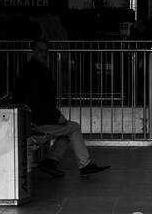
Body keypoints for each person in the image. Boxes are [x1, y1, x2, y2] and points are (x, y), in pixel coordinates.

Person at [12, 40, 109, 177]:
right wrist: (56, 116)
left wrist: (55, 116)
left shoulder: (32, 69)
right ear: (33, 52)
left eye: (46, 51)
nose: (44, 54)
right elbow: (37, 102)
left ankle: (51, 162)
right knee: (73, 128)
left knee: (68, 128)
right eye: (40, 51)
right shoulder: (37, 72)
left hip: (31, 118)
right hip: (35, 121)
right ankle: (84, 164)